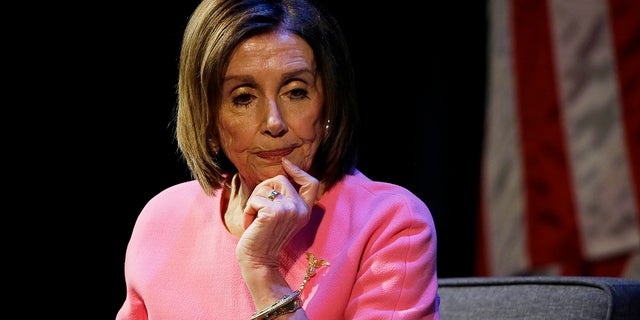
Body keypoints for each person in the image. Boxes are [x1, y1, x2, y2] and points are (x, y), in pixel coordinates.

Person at [116, 0, 440, 318]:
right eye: (243, 98)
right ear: (208, 120)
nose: (274, 122)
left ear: (327, 106)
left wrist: (265, 274)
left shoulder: (392, 225)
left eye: (295, 91)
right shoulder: (162, 222)